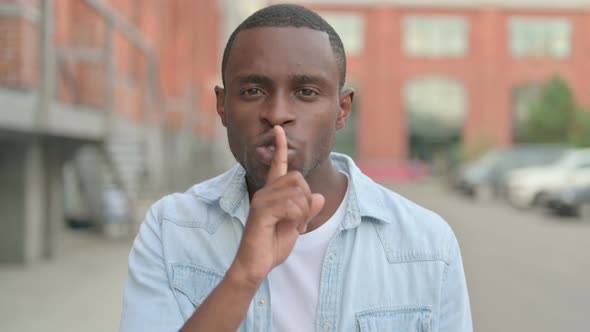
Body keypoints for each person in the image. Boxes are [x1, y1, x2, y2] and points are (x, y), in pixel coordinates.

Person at [119, 4, 472, 332]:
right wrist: (243, 276)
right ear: (222, 106)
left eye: (305, 92)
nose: (276, 114)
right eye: (253, 90)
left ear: (342, 110)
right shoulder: (171, 229)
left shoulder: (427, 244)